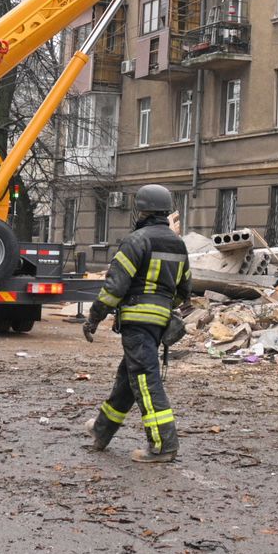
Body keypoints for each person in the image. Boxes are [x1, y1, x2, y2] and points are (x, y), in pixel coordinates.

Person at [83, 183, 190, 463]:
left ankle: (163, 445)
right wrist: (162, 310)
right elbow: (184, 291)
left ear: (141, 211)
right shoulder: (178, 244)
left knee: (144, 380)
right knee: (127, 380)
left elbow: (115, 287)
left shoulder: (136, 240)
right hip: (158, 324)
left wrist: (94, 317)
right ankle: (102, 430)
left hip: (136, 322)